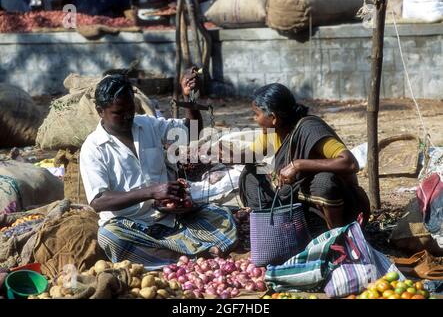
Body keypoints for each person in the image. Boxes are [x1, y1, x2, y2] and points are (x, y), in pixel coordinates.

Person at [79, 71, 237, 269]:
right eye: (119, 113)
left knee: (221, 216)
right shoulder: (93, 148)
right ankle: (192, 255)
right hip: (130, 225)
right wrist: (151, 192)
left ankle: (176, 257)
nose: (128, 117)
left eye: (130, 110)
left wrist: (189, 98)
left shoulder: (147, 124)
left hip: (169, 217)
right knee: (110, 238)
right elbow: (98, 201)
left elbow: (192, 132)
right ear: (100, 111)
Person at [236, 83, 370, 233]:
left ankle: (338, 237)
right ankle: (272, 229)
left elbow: (350, 163)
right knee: (251, 174)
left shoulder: (309, 128)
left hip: (344, 204)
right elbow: (252, 155)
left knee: (323, 182)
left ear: (273, 117)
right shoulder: (274, 131)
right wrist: (226, 155)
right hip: (299, 198)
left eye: (257, 114)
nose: (255, 119)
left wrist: (298, 165)